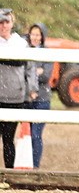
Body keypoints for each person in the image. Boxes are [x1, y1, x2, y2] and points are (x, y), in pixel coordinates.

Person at [0, 8, 36, 168]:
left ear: (12, 23)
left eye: (6, 22)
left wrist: (31, 89)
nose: (3, 26)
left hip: (14, 97)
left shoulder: (21, 44)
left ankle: (8, 174)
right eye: (0, 22)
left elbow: (30, 68)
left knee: (8, 139)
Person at [24, 22, 51, 168]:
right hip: (27, 99)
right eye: (33, 34)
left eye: (38, 34)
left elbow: (46, 75)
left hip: (42, 99)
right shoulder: (24, 50)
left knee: (36, 135)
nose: (35, 37)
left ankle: (35, 166)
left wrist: (31, 73)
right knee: (25, 136)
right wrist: (35, 71)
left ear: (42, 36)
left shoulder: (46, 52)